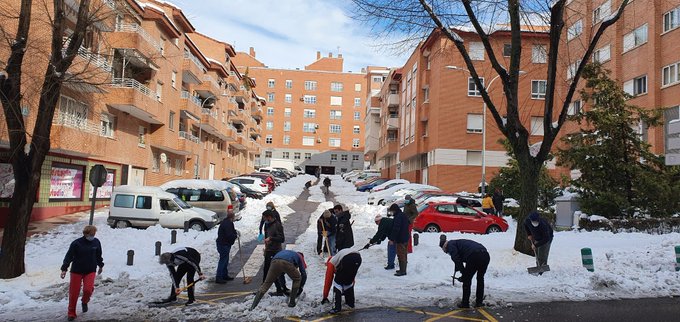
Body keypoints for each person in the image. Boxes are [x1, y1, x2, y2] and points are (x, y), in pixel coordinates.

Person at [60, 225, 104, 321]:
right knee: (74, 293)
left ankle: (84, 301)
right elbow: (69, 256)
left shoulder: (96, 242)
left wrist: (101, 265)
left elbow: (98, 255)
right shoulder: (76, 243)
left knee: (88, 289)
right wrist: (64, 269)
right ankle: (71, 313)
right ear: (85, 234)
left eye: (94, 234)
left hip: (90, 270)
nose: (92, 236)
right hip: (77, 271)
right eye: (91, 234)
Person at [440, 237, 490, 308]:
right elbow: (460, 259)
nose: (448, 253)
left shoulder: (450, 245)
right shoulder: (458, 243)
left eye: (447, 252)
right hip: (485, 255)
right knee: (480, 278)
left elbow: (456, 259)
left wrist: (464, 275)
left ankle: (465, 303)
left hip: (474, 255)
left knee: (467, 281)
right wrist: (464, 273)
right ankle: (479, 302)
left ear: (445, 247)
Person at [321, 248, 362, 314]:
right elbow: (352, 278)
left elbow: (328, 281)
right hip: (358, 258)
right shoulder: (338, 259)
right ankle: (350, 303)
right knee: (348, 281)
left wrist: (325, 297)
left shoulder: (331, 263)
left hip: (347, 259)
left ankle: (336, 308)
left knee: (337, 283)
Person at [261, 210, 288, 295]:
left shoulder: (277, 225)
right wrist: (266, 247)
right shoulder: (266, 225)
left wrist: (271, 238)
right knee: (266, 269)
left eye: (264, 218)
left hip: (276, 251)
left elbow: (282, 239)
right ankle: (263, 289)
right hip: (269, 250)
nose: (263, 219)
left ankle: (280, 289)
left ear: (269, 217)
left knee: (275, 270)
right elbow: (266, 236)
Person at [215, 211, 237, 283]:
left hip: (224, 244)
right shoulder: (227, 224)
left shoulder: (227, 222)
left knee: (225, 260)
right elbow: (229, 235)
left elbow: (232, 231)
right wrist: (235, 236)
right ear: (232, 217)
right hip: (223, 244)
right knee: (223, 260)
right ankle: (219, 277)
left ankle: (224, 275)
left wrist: (235, 233)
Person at [388, 203, 410, 276]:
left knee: (401, 254)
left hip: (401, 239)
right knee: (404, 254)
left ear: (394, 210)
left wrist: (392, 239)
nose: (391, 213)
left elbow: (396, 229)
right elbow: (408, 223)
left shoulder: (398, 217)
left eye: (392, 211)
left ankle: (403, 271)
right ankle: (402, 269)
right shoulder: (403, 215)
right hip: (406, 237)